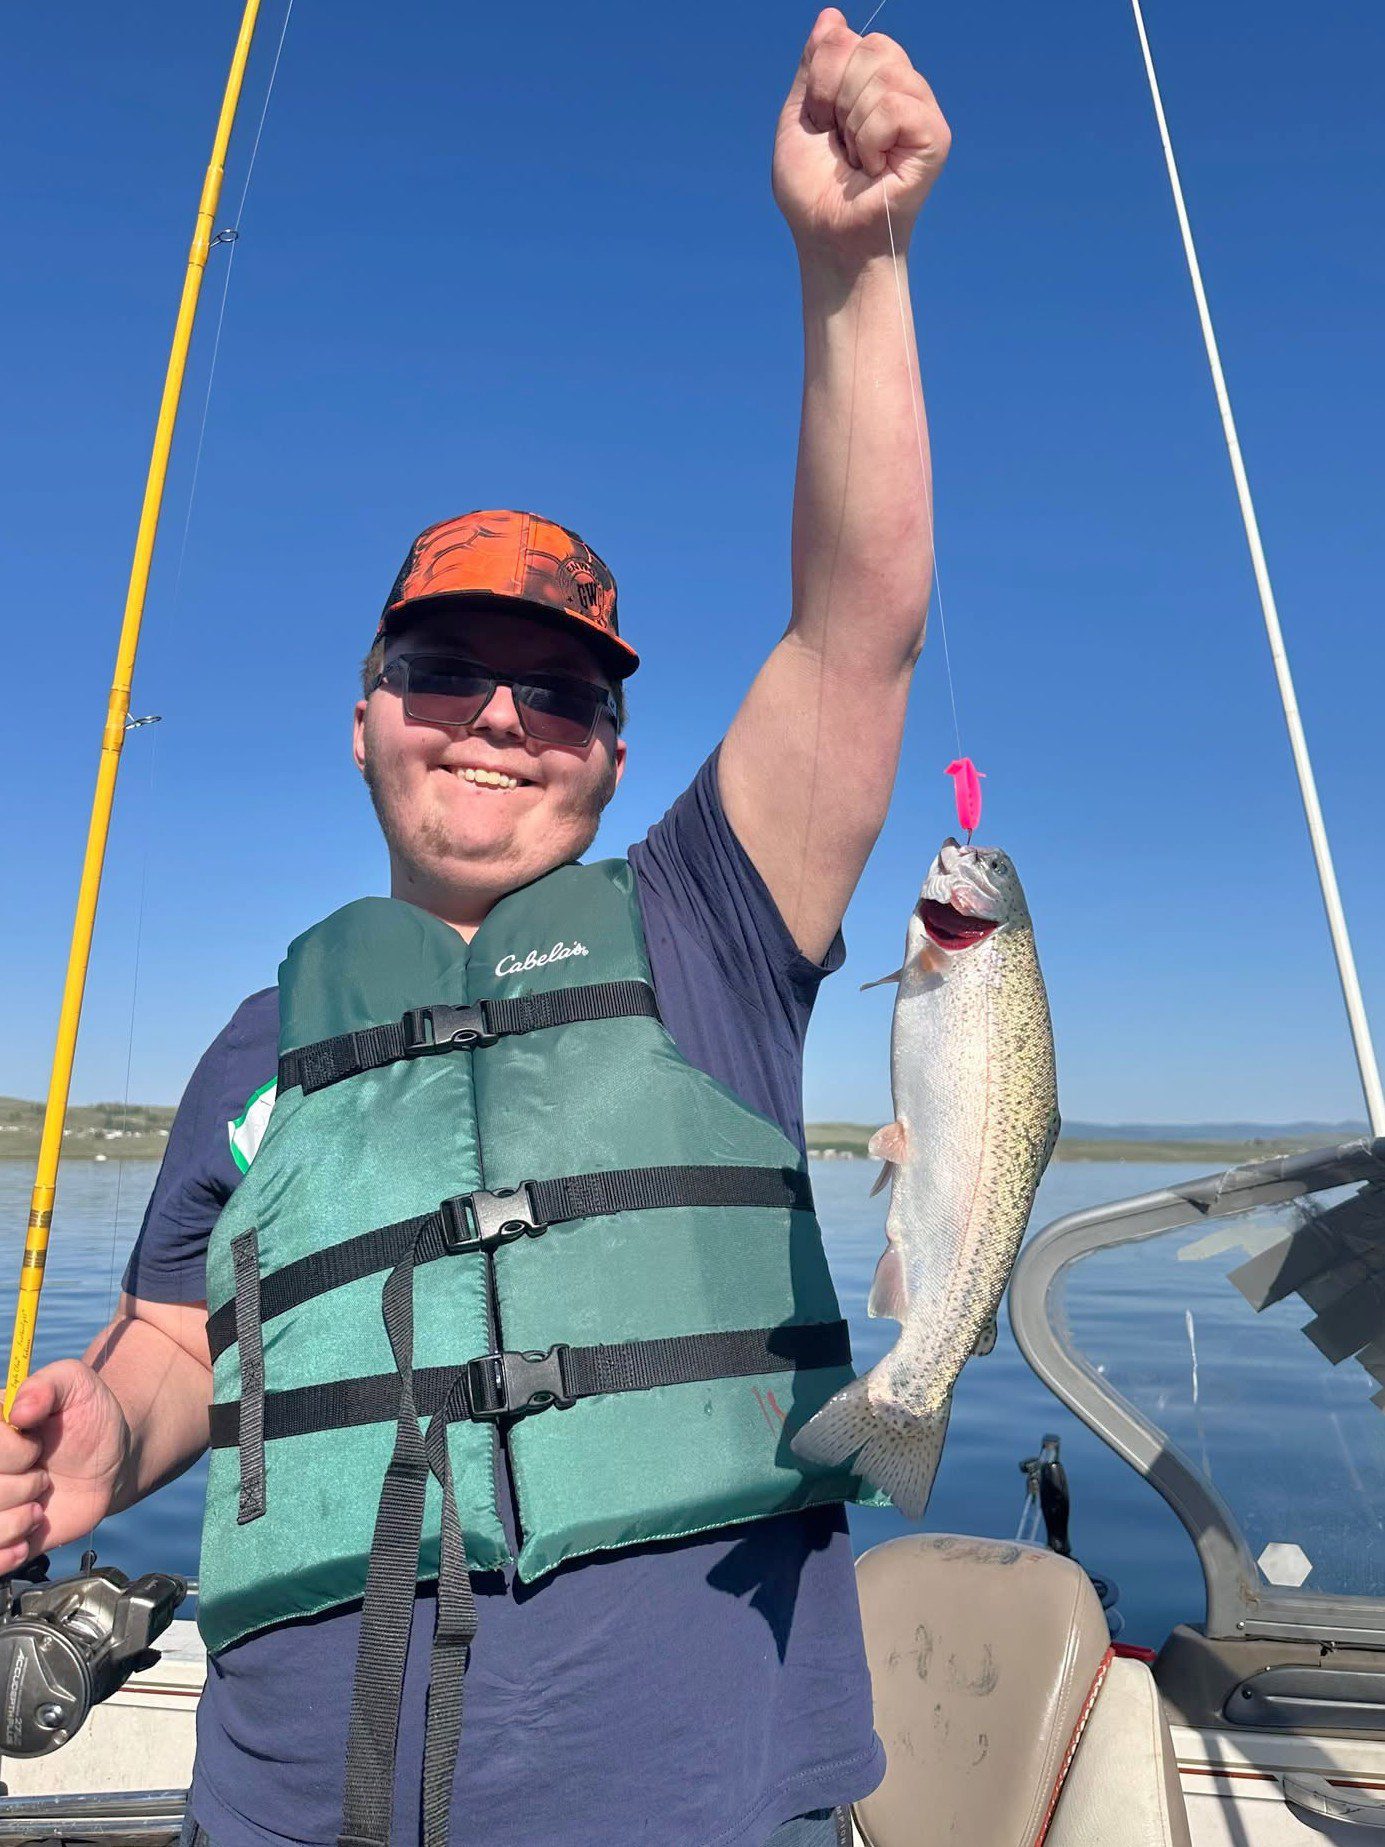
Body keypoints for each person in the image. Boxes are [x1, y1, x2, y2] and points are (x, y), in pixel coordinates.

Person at [0, 12, 950, 1845]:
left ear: (612, 750)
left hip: (683, 1792)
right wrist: (100, 1440)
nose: (501, 719)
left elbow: (859, 630)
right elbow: (185, 1342)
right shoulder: (261, 1042)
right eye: (448, 673)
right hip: (294, 1795)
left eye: (559, 693)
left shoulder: (713, 928)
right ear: (364, 713)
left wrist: (853, 271)